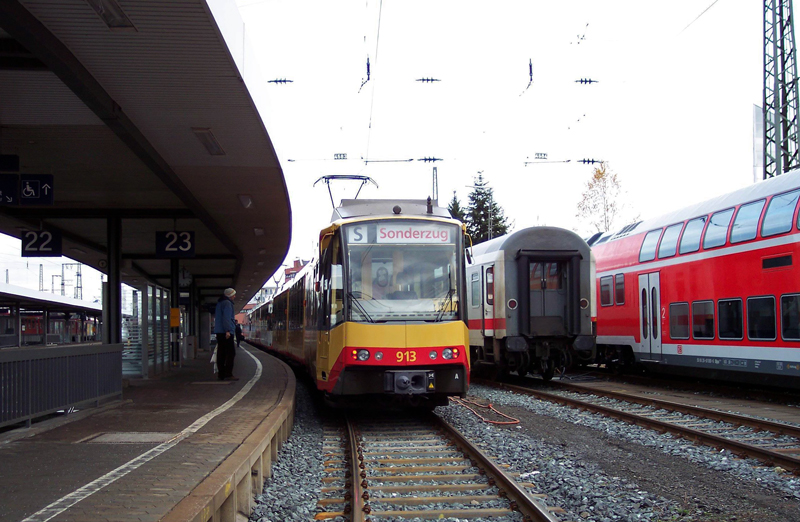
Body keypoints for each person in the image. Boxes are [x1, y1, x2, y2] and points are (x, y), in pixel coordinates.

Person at [214, 288, 238, 381]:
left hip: (220, 331)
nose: (234, 296)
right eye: (233, 294)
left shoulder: (220, 303)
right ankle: (228, 373)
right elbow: (227, 318)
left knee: (221, 353)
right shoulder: (227, 303)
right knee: (231, 353)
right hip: (225, 332)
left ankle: (221, 374)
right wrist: (227, 330)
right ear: (229, 295)